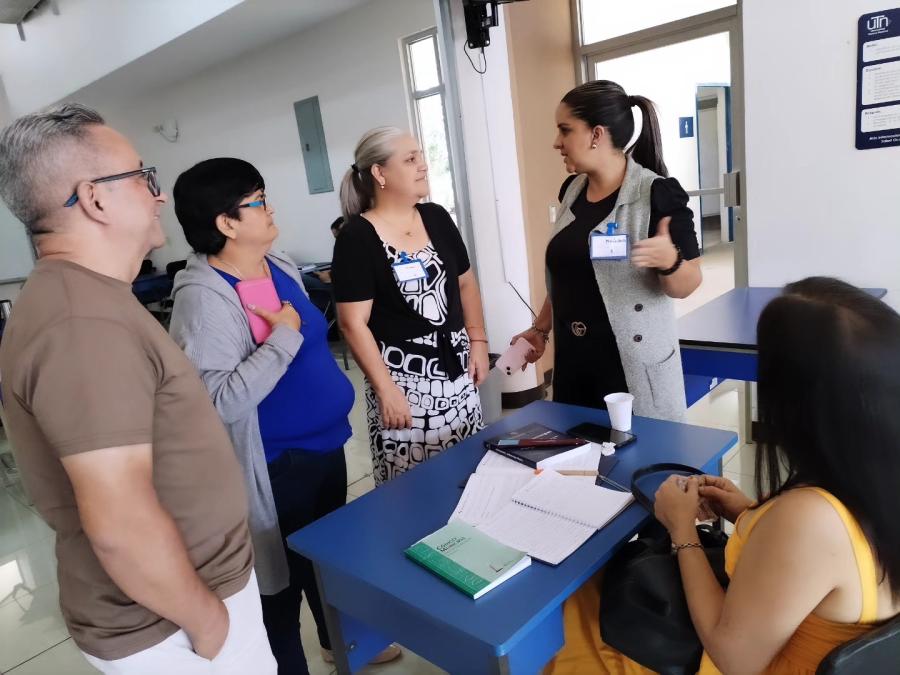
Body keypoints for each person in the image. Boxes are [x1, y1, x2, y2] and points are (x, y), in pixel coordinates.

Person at [0, 104, 275, 673]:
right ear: (94, 198)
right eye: (143, 178)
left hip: (185, 607)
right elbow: (120, 522)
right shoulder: (81, 324)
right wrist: (211, 624)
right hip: (174, 624)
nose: (159, 196)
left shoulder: (89, 300)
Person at [545, 277, 900, 674]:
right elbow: (815, 568)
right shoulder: (874, 483)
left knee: (571, 615)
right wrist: (748, 513)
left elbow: (734, 659)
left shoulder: (809, 518)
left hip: (729, 660)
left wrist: (682, 529)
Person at [167, 158, 400, 672]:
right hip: (275, 465)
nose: (270, 208)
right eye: (257, 201)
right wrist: (284, 338)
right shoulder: (204, 300)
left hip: (325, 447)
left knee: (324, 560)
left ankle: (338, 643)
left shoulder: (277, 264)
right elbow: (218, 401)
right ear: (226, 223)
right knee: (281, 586)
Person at [512, 80, 702, 421]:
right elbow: (569, 276)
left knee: (639, 453)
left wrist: (671, 262)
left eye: (565, 130)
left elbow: (689, 282)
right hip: (574, 368)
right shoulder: (572, 191)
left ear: (596, 134)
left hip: (631, 375)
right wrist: (540, 329)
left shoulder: (657, 194)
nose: (556, 142)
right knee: (576, 451)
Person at [332, 127, 489, 485]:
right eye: (410, 159)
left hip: (457, 368)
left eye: (420, 156)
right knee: (414, 486)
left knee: (469, 474)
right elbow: (353, 323)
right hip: (403, 382)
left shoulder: (436, 217)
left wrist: (478, 341)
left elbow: (465, 283)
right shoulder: (357, 236)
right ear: (380, 173)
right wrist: (386, 390)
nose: (423, 165)